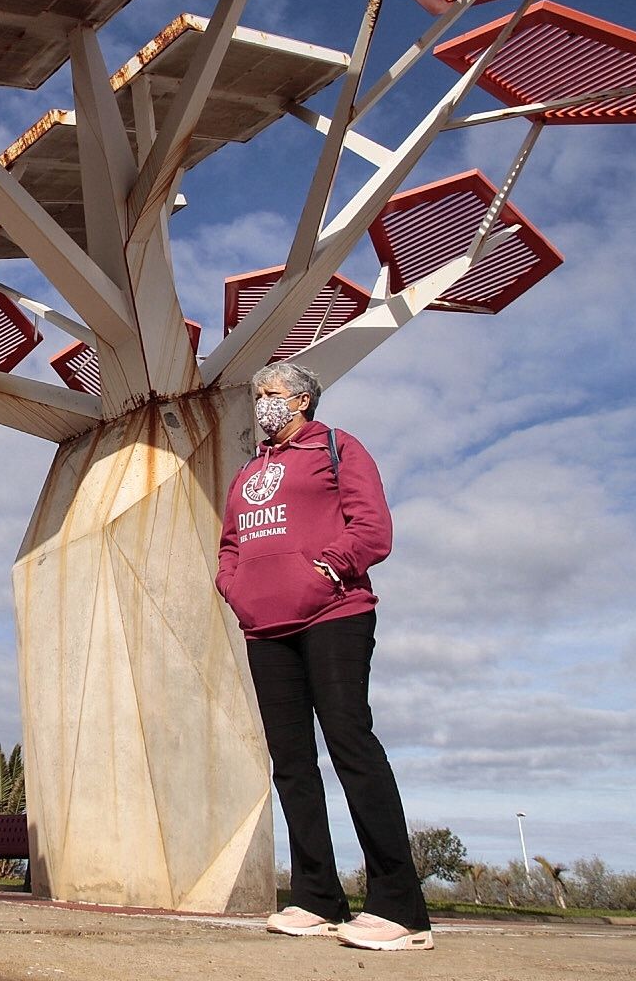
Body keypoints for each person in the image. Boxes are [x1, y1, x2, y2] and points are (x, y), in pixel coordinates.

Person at [214, 361, 433, 952]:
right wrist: (234, 587)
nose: (263, 403)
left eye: (273, 393)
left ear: (303, 399)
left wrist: (327, 568)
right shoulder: (248, 473)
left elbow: (373, 528)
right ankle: (316, 895)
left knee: (349, 744)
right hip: (264, 627)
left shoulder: (338, 448)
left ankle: (399, 906)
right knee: (290, 762)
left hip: (334, 615)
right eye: (257, 394)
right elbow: (231, 543)